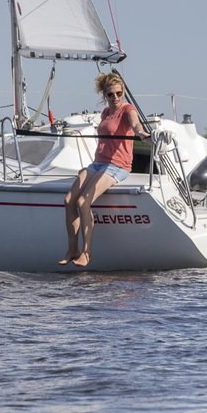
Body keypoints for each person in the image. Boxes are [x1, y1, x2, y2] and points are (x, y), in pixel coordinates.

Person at [60, 73, 150, 267]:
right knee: (69, 200)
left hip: (117, 166)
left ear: (123, 93)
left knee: (84, 201)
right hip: (98, 163)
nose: (116, 98)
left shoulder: (128, 109)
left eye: (119, 93)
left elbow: (136, 125)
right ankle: (72, 249)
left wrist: (143, 134)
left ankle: (86, 253)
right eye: (111, 94)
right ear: (105, 95)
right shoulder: (105, 113)